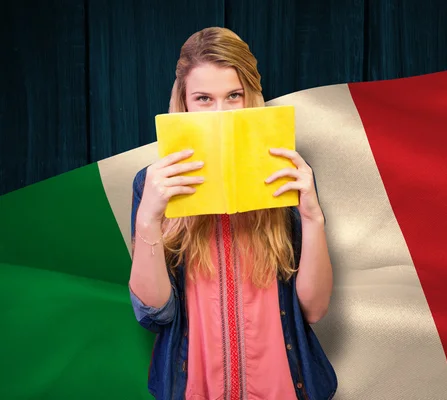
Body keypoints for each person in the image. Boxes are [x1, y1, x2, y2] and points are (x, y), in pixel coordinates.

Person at [128, 27, 338, 400]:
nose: (220, 114)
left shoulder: (288, 174)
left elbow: (314, 310)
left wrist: (313, 218)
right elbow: (155, 315)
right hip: (196, 388)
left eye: (233, 96)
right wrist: (149, 218)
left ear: (251, 98)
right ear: (185, 103)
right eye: (204, 98)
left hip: (282, 387)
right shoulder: (152, 184)